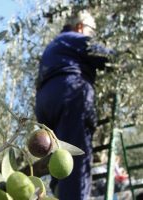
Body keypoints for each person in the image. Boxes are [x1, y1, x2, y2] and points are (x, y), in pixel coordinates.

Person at [35, 10, 114, 200]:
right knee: (76, 158)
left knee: (59, 160)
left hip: (45, 102)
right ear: (80, 26)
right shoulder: (75, 37)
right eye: (92, 30)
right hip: (70, 94)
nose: (92, 35)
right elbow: (104, 54)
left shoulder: (56, 44)